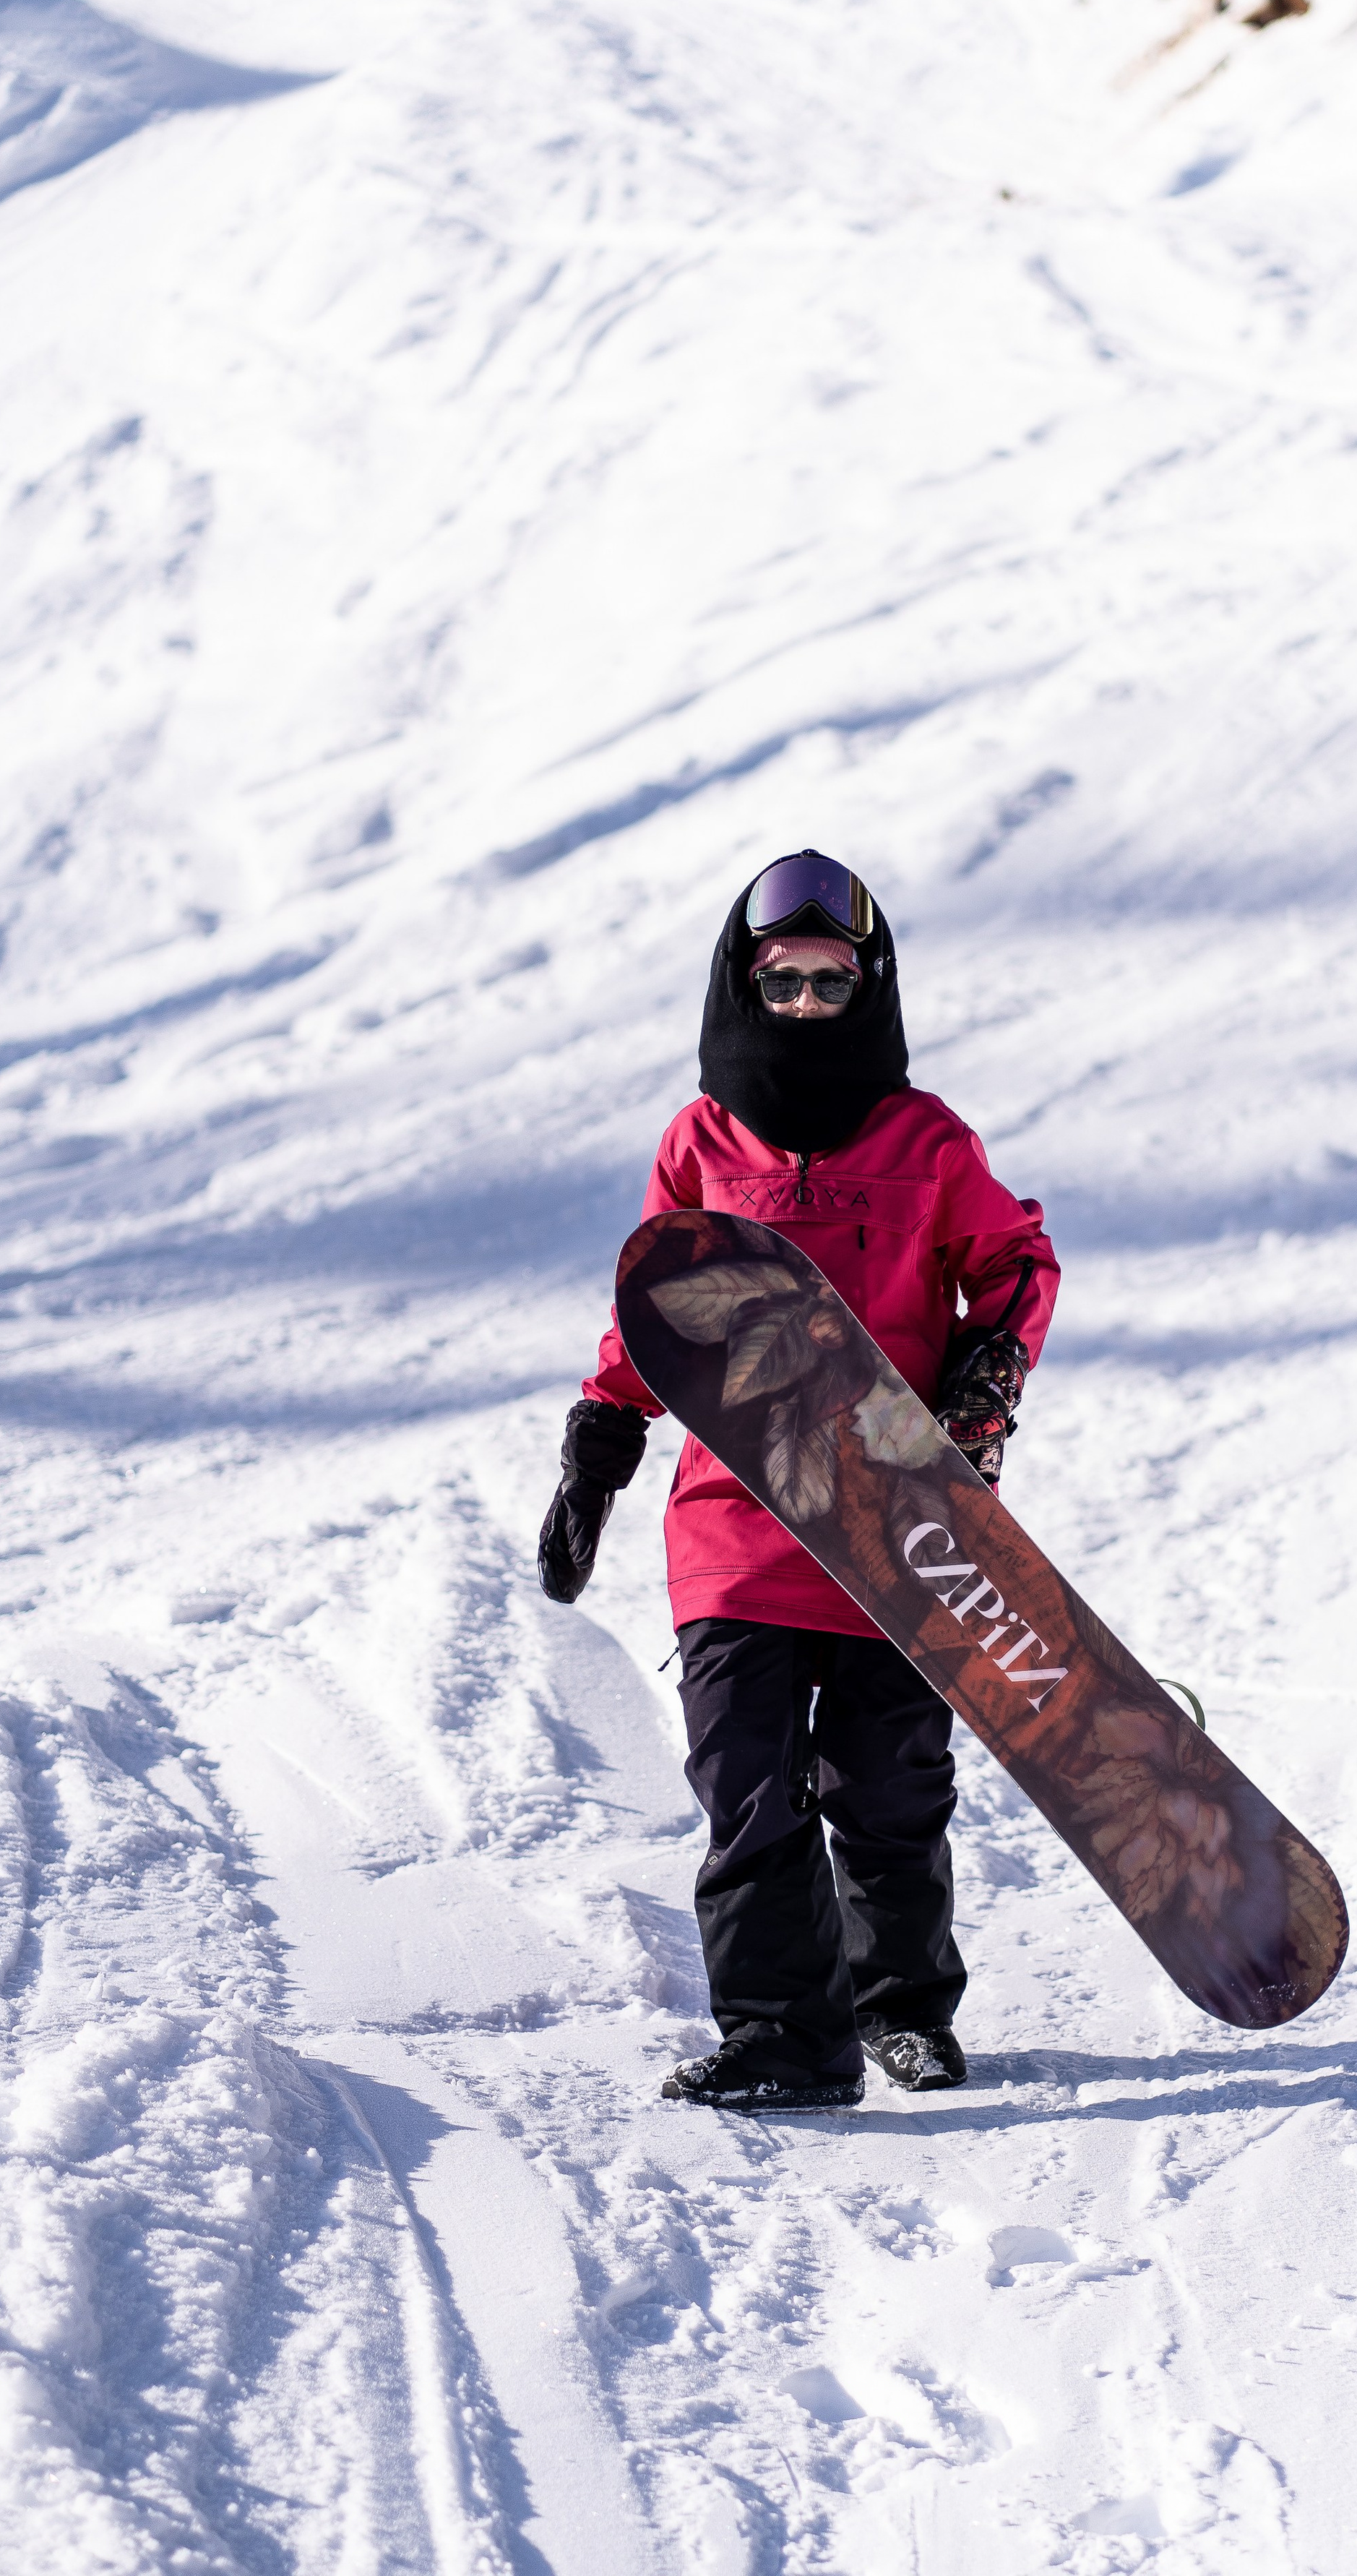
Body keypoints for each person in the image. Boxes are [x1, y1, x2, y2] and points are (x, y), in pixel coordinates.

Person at [539, 851, 1059, 2111]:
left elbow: (1016, 1263)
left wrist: (983, 1388)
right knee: (747, 1788)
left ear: (871, 984)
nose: (812, 1008)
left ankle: (901, 2013)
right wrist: (599, 1445)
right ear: (745, 982)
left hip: (895, 1519)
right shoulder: (700, 1139)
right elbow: (658, 1311)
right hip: (738, 1523)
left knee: (888, 1790)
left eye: (836, 983)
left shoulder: (928, 1139)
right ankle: (784, 2041)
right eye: (787, 984)